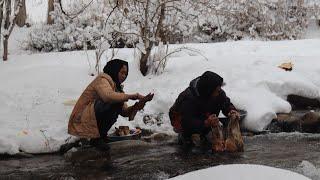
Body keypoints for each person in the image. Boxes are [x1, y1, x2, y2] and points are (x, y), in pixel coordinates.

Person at [68, 59, 153, 150]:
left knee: (117, 102)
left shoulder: (116, 87)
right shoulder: (102, 79)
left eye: (126, 74)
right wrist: (133, 96)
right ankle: (96, 139)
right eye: (122, 72)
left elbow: (124, 112)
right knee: (114, 102)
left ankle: (101, 136)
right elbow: (107, 97)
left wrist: (139, 104)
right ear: (114, 70)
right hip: (80, 119)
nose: (124, 76)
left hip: (90, 118)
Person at [169, 71, 243, 152]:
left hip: (205, 116)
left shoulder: (218, 92)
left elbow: (225, 103)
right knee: (189, 146)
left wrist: (231, 110)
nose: (219, 91)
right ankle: (184, 138)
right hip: (181, 121)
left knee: (210, 142)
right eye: (217, 89)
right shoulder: (188, 98)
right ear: (208, 90)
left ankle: (205, 134)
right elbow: (187, 122)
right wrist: (206, 123)